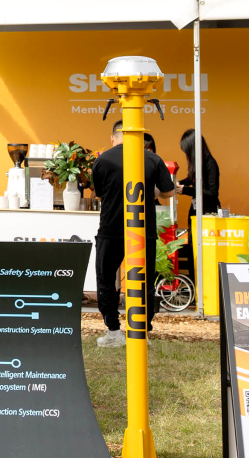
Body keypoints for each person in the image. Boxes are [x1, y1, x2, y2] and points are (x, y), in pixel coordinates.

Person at [91, 120, 175, 348]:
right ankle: (141, 333)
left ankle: (113, 331)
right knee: (144, 281)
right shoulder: (153, 159)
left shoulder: (102, 160)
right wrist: (151, 189)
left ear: (113, 138)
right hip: (142, 230)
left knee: (106, 279)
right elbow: (168, 192)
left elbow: (99, 194)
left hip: (111, 229)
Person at [178, 129, 220, 275]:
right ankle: (193, 279)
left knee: (204, 249)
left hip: (207, 213)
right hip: (195, 212)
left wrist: (185, 190)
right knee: (192, 246)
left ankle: (202, 280)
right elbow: (191, 180)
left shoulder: (210, 164)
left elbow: (212, 193)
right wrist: (179, 183)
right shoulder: (198, 165)